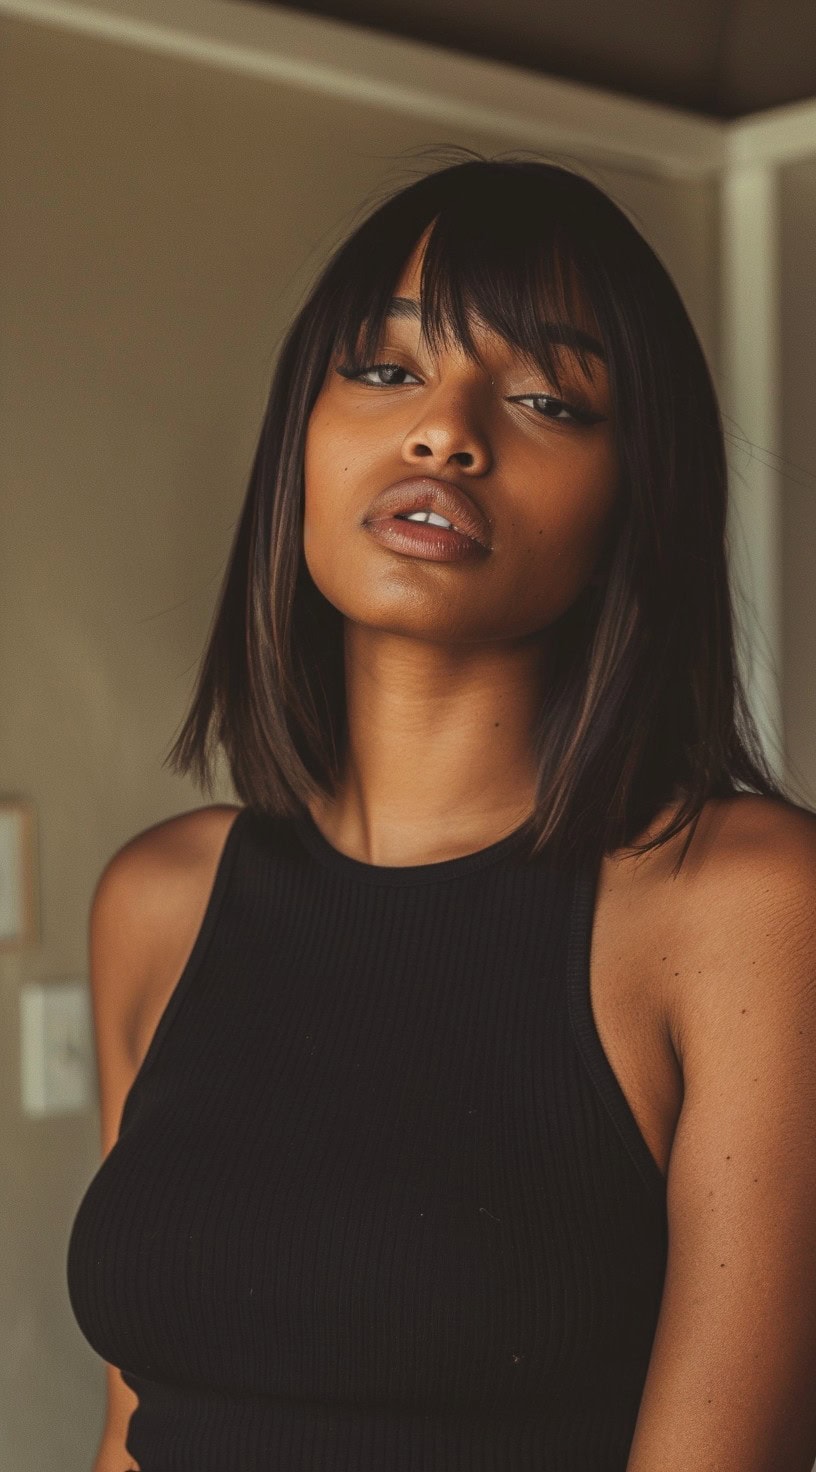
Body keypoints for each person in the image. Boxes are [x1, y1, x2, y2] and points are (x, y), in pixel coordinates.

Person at [67, 150, 816, 1471]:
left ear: (638, 499)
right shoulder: (158, 902)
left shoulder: (747, 903)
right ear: (302, 429)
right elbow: (138, 1429)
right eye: (388, 369)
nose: (447, 430)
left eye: (548, 397)